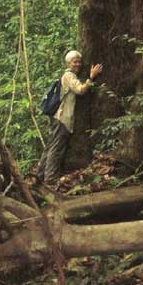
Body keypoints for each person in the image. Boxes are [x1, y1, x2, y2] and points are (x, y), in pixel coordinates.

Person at [36, 50, 103, 185]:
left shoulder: (69, 75)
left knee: (50, 146)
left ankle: (40, 175)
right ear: (68, 64)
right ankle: (50, 178)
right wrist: (91, 77)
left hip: (58, 117)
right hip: (62, 118)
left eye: (79, 61)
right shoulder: (68, 76)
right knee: (56, 148)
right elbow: (80, 90)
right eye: (75, 62)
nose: (78, 64)